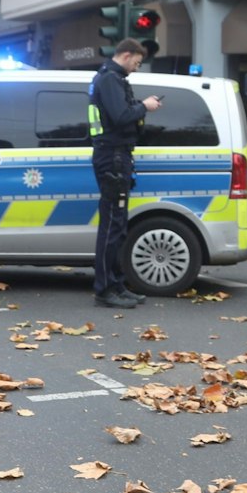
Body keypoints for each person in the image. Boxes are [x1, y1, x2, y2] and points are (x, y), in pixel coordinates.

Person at [87, 37, 161, 309]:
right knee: (111, 226)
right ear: (127, 55)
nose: (137, 68)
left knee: (118, 225)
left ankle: (116, 284)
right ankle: (105, 289)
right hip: (113, 156)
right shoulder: (109, 80)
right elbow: (119, 117)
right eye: (137, 63)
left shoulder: (113, 79)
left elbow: (121, 115)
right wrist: (144, 107)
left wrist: (139, 108)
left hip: (117, 155)